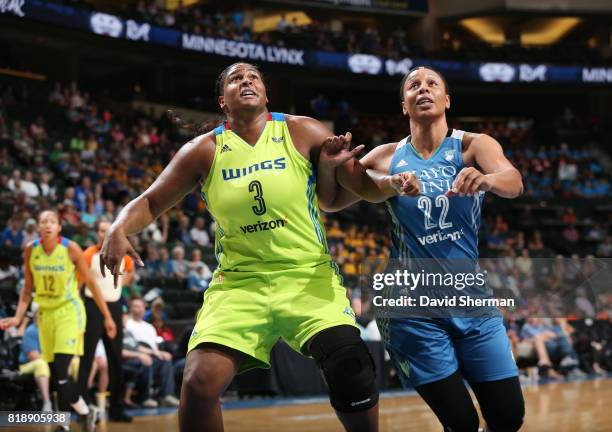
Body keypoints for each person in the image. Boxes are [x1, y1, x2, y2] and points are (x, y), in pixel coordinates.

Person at [99, 62, 384, 432]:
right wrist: (119, 226)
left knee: (350, 363)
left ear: (266, 94)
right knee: (198, 382)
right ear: (223, 101)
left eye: (253, 77)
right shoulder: (203, 150)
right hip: (239, 284)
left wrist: (393, 182)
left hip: (306, 276)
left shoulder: (302, 131)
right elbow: (152, 202)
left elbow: (357, 184)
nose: (246, 80)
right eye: (236, 78)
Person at [330, 66, 525, 431]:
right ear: (404, 104)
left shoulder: (473, 145)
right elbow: (331, 201)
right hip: (412, 309)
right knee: (462, 422)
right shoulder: (387, 156)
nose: (423, 89)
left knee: (508, 417)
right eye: (413, 86)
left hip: (472, 302)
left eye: (432, 84)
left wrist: (486, 179)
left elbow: (513, 182)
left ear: (446, 99)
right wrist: (338, 168)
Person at [0, 210, 117, 431]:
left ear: (59, 227)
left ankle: (62, 424)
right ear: (38, 228)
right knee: (56, 374)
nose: (47, 225)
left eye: (52, 221)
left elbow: (91, 284)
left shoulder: (70, 248)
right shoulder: (30, 250)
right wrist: (17, 317)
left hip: (69, 313)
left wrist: (108, 317)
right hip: (45, 315)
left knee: (62, 371)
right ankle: (84, 411)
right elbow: (27, 289)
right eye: (43, 222)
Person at [76, 219, 133, 423]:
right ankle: (83, 408)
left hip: (115, 307)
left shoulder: (123, 256)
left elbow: (130, 272)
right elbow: (78, 285)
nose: (105, 234)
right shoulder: (88, 254)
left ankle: (116, 407)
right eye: (101, 230)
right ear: (97, 233)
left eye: (109, 230)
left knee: (116, 359)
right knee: (87, 357)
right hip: (91, 308)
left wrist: (119, 289)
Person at [125, 298, 179, 407]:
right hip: (135, 356)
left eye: (141, 307)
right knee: (147, 359)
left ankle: (167, 395)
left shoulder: (149, 327)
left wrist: (161, 353)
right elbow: (132, 345)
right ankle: (145, 397)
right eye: (136, 306)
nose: (139, 309)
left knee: (166, 360)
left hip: (151, 354)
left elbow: (155, 347)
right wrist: (152, 353)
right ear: (130, 309)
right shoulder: (127, 324)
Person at [18, 303, 52, 412]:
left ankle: (78, 400)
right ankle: (47, 403)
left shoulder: (49, 330)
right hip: (25, 365)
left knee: (74, 363)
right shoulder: (31, 330)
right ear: (36, 314)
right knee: (41, 364)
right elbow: (33, 356)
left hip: (46, 361)